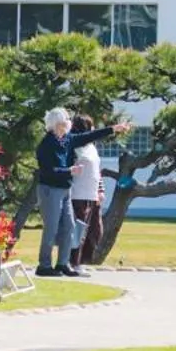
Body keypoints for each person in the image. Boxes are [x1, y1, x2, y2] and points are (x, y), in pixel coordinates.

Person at [34, 108, 129, 278]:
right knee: (52, 227)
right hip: (50, 189)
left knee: (70, 226)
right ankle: (44, 265)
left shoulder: (67, 139)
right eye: (67, 119)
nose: (70, 121)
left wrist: (113, 129)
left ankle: (63, 263)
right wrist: (68, 170)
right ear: (58, 123)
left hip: (65, 190)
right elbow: (47, 171)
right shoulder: (47, 144)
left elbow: (88, 136)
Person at [68, 113, 106, 270]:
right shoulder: (73, 146)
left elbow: (97, 171)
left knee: (95, 231)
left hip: (92, 194)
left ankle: (83, 261)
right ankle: (73, 263)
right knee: (79, 231)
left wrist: (100, 189)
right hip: (78, 194)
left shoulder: (92, 147)